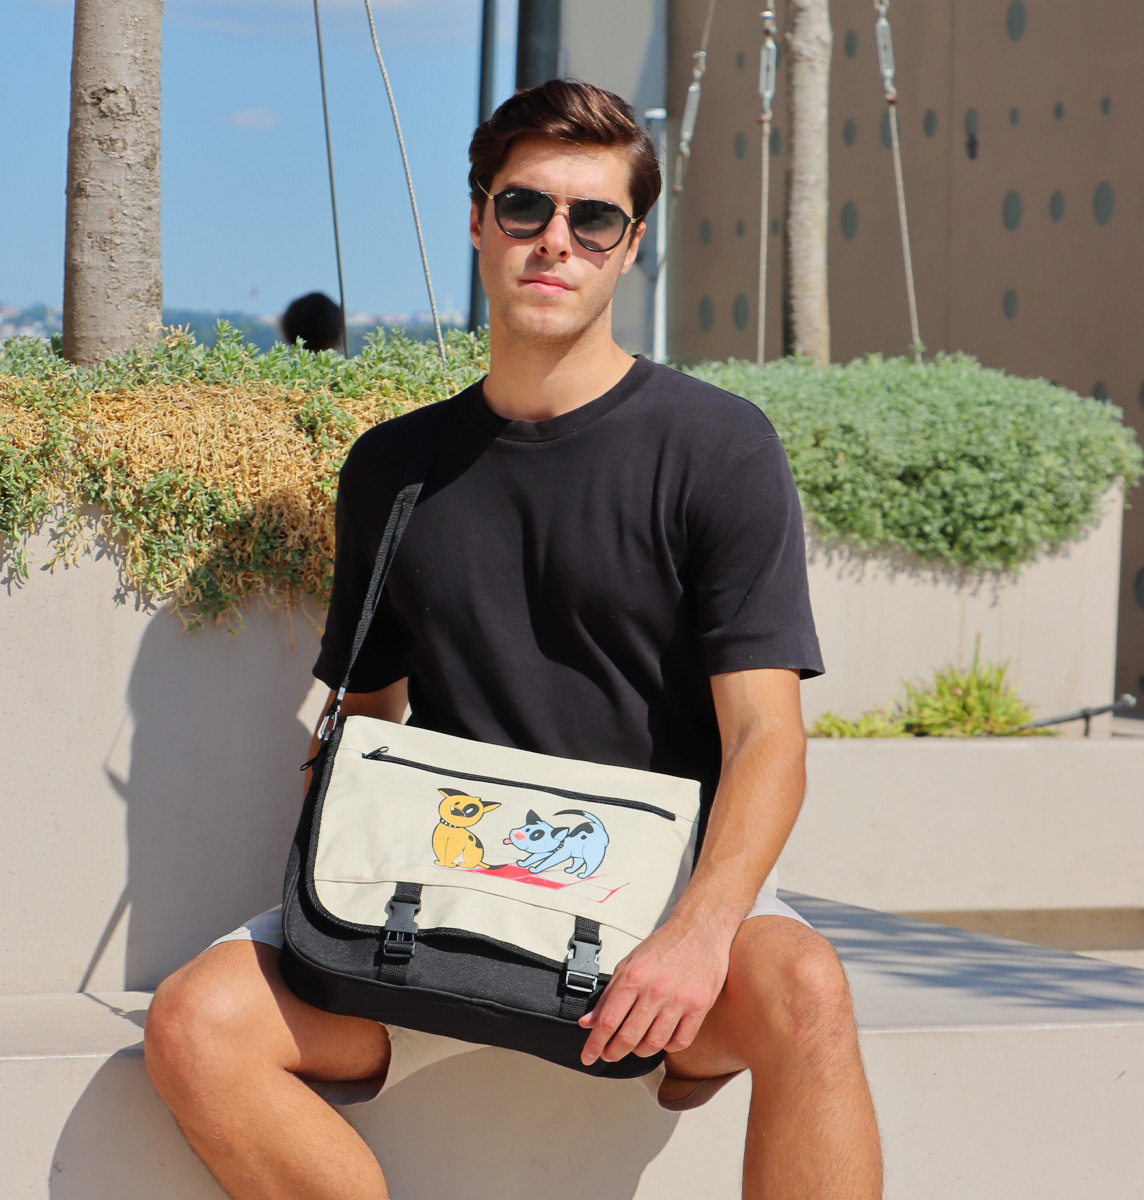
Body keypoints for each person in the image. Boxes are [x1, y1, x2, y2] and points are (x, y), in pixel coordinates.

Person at [144, 78, 883, 1199]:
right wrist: (332, 852)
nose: (556, 241)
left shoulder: (718, 448)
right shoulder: (395, 468)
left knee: (810, 993)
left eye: (595, 218)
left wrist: (698, 933)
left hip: (653, 899)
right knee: (197, 1024)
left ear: (632, 245)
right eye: (526, 206)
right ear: (480, 220)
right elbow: (371, 710)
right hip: (440, 899)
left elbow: (767, 737)